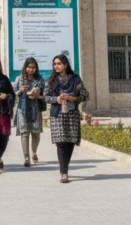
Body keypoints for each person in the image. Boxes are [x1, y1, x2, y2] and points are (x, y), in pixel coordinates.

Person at [43, 54, 89, 183]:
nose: (56, 66)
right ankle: (64, 172)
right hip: (57, 115)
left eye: (59, 63)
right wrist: (56, 99)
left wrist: (73, 98)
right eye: (54, 64)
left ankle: (65, 168)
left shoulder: (75, 79)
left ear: (65, 65)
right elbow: (45, 97)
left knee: (70, 142)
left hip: (72, 114)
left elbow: (85, 95)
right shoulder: (51, 80)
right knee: (61, 143)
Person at [13, 58, 46, 167]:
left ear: (36, 68)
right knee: (24, 133)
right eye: (29, 67)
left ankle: (34, 151)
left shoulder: (40, 80)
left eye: (33, 67)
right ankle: (26, 157)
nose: (31, 70)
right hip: (22, 109)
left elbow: (44, 94)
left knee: (36, 133)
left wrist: (36, 94)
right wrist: (20, 90)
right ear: (25, 67)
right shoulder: (19, 79)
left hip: (35, 109)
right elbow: (13, 93)